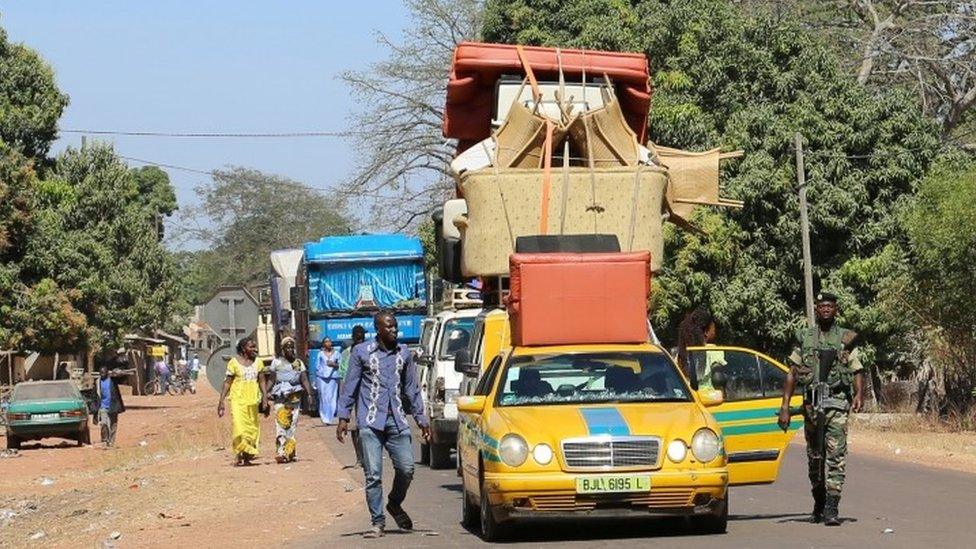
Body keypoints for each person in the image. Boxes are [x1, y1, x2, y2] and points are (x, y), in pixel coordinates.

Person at [337, 311, 431, 539]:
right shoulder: (362, 352)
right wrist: (343, 417)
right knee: (373, 475)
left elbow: (412, 388)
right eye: (388, 327)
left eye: (395, 326)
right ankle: (377, 522)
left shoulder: (404, 353)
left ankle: (395, 504)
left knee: (407, 469)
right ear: (378, 329)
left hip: (396, 419)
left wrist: (422, 420)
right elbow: (350, 385)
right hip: (370, 421)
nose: (394, 330)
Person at [777, 292, 864, 526]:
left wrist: (858, 394)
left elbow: (857, 369)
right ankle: (819, 501)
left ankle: (832, 508)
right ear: (816, 309)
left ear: (836, 309)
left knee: (836, 456)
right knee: (814, 458)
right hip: (812, 406)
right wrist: (785, 406)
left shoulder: (845, 339)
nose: (826, 309)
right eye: (822, 306)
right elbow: (792, 372)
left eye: (830, 306)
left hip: (836, 405)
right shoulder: (806, 338)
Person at [217, 338, 269, 466]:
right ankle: (238, 453)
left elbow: (262, 381)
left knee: (251, 429)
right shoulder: (233, 363)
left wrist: (265, 398)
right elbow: (228, 382)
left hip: (253, 400)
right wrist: (221, 400)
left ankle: (246, 456)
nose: (254, 349)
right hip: (238, 400)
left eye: (254, 346)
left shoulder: (258, 362)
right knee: (239, 428)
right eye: (251, 347)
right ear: (243, 348)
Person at [265, 337, 314, 463]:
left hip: (294, 398)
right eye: (287, 347)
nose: (290, 349)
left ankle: (290, 451)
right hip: (280, 398)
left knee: (292, 425)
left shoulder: (298, 363)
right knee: (281, 424)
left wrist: (309, 394)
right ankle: (281, 452)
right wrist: (265, 394)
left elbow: (304, 379)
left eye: (292, 347)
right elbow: (271, 379)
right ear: (283, 349)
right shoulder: (276, 363)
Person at [340, 325, 368, 467]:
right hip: (352, 394)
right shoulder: (346, 354)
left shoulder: (371, 351)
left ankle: (368, 457)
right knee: (354, 428)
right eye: (357, 338)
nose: (360, 340)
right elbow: (343, 377)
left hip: (368, 394)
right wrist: (344, 401)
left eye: (362, 337)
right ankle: (359, 458)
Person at [674, 308, 715, 390]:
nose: (715, 330)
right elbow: (718, 377)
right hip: (709, 398)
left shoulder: (679, 357)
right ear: (706, 332)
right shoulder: (713, 351)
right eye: (713, 327)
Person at [96, 363, 126, 448]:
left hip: (113, 405)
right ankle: (105, 441)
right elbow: (95, 395)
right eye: (100, 373)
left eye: (103, 373)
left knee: (113, 425)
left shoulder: (113, 380)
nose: (102, 375)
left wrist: (118, 372)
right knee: (104, 424)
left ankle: (111, 442)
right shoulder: (97, 382)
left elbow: (122, 378)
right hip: (103, 406)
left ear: (107, 373)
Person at [315, 338, 342, 425]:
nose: (328, 343)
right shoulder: (320, 354)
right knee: (323, 398)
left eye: (330, 341)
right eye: (326, 341)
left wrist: (334, 364)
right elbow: (317, 366)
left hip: (333, 378)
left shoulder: (337, 353)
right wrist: (321, 374)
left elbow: (341, 365)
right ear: (323, 344)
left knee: (332, 398)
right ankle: (324, 417)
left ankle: (330, 418)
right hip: (322, 379)